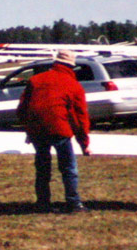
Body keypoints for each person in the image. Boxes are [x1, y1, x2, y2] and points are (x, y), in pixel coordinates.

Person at [16, 49, 90, 214]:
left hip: (37, 131)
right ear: (71, 67)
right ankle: (74, 203)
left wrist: (29, 129)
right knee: (69, 168)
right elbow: (80, 116)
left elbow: (22, 109)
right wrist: (84, 143)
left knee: (42, 168)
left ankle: (43, 203)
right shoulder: (73, 85)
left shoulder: (35, 80)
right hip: (60, 130)